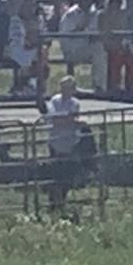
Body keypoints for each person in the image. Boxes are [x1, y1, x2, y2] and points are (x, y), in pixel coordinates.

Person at [43, 75, 83, 209]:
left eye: (69, 87)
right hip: (55, 141)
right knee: (54, 173)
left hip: (69, 143)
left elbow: (69, 118)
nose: (66, 90)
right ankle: (52, 203)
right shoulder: (54, 100)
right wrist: (68, 120)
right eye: (64, 87)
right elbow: (54, 118)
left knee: (66, 174)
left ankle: (62, 201)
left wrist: (67, 120)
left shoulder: (75, 103)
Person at [58, 0, 101, 86]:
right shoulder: (70, 15)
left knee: (101, 50)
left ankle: (99, 85)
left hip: (89, 47)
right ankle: (71, 86)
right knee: (98, 50)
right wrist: (81, 29)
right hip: (73, 49)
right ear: (78, 0)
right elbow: (64, 39)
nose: (86, 1)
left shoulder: (95, 13)